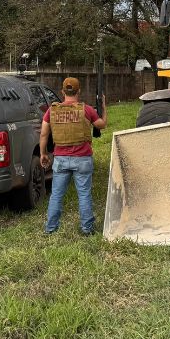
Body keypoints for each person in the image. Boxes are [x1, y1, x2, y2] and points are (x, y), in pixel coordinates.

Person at [40, 77, 107, 235]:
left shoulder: (52, 110)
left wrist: (43, 153)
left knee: (56, 194)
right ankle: (87, 229)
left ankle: (50, 228)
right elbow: (102, 125)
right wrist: (103, 107)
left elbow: (43, 134)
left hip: (61, 160)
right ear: (79, 91)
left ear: (62, 92)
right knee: (84, 194)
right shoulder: (86, 109)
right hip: (83, 159)